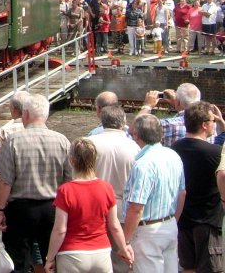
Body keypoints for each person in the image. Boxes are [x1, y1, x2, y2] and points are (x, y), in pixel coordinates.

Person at [0, 94, 72, 273]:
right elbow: (69, 181)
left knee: (18, 262)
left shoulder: (14, 141)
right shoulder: (63, 141)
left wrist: (0, 210)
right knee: (52, 261)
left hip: (20, 210)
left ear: (26, 114)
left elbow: (5, 181)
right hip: (53, 208)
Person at [44, 138, 133, 273]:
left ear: (72, 160)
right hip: (101, 251)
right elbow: (114, 226)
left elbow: (60, 230)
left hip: (71, 253)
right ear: (94, 159)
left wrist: (50, 258)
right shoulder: (107, 188)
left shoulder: (65, 190)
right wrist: (123, 248)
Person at [122, 114, 186, 273]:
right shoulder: (173, 156)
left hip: (147, 231)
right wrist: (173, 221)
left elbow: (136, 207)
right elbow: (182, 193)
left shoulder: (143, 164)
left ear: (136, 135)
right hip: (170, 224)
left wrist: (126, 241)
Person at [171, 102, 224, 273]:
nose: (214, 124)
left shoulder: (174, 149)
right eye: (213, 121)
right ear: (204, 125)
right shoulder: (215, 153)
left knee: (188, 267)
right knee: (211, 268)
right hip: (208, 220)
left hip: (182, 218)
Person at [88, 106, 140, 273]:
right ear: (123, 122)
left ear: (102, 120)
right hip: (122, 209)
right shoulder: (134, 147)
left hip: (93, 208)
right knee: (121, 260)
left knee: (95, 259)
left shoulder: (90, 143)